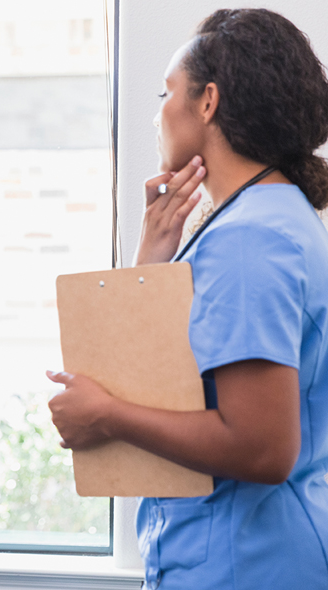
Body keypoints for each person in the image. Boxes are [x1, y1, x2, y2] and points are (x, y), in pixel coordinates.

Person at [47, 9, 328, 589]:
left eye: (166, 93)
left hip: (249, 564)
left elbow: (262, 448)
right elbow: (165, 374)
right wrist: (153, 259)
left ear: (208, 103)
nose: (157, 114)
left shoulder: (251, 240)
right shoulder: (257, 221)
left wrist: (106, 415)